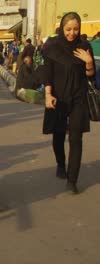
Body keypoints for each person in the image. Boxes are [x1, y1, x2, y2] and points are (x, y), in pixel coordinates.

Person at [42, 12, 95, 194]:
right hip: (58, 97)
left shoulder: (84, 45)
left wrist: (89, 63)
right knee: (58, 134)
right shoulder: (52, 46)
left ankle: (72, 181)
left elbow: (91, 76)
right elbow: (47, 72)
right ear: (62, 28)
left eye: (76, 29)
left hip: (78, 98)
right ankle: (60, 164)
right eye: (68, 29)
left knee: (75, 138)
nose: (72, 33)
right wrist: (48, 95)